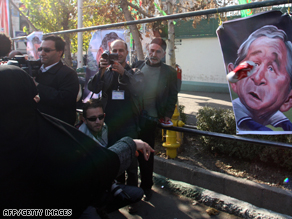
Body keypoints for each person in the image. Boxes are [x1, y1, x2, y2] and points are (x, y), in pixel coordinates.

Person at [0, 65, 153, 218]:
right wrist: (129, 145)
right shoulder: (41, 134)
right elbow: (93, 166)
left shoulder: (30, 128)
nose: (38, 97)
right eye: (32, 92)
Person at [88, 39, 143, 193]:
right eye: (114, 51)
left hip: (129, 123)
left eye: (121, 51)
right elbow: (92, 86)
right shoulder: (106, 73)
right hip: (109, 122)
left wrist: (123, 73)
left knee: (131, 160)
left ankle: (133, 194)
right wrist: (101, 70)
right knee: (113, 158)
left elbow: (140, 88)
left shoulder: (134, 72)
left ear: (126, 53)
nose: (117, 54)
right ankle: (118, 193)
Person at [132, 37, 179, 200]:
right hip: (132, 118)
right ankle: (130, 190)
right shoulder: (137, 66)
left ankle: (146, 187)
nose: (154, 54)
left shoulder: (169, 72)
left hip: (150, 119)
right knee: (130, 153)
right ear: (147, 50)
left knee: (146, 155)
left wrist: (167, 114)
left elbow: (173, 95)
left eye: (158, 51)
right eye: (151, 50)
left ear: (163, 53)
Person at [227, 25, 292, 131]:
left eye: (271, 69)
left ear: (288, 99)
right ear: (234, 78)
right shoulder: (237, 113)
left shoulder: (284, 124)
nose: (257, 78)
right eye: (254, 64)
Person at [33, 35, 79, 126]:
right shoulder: (34, 70)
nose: (42, 53)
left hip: (57, 128)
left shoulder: (68, 74)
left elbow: (65, 100)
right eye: (40, 49)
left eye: (47, 50)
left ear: (59, 52)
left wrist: (37, 86)